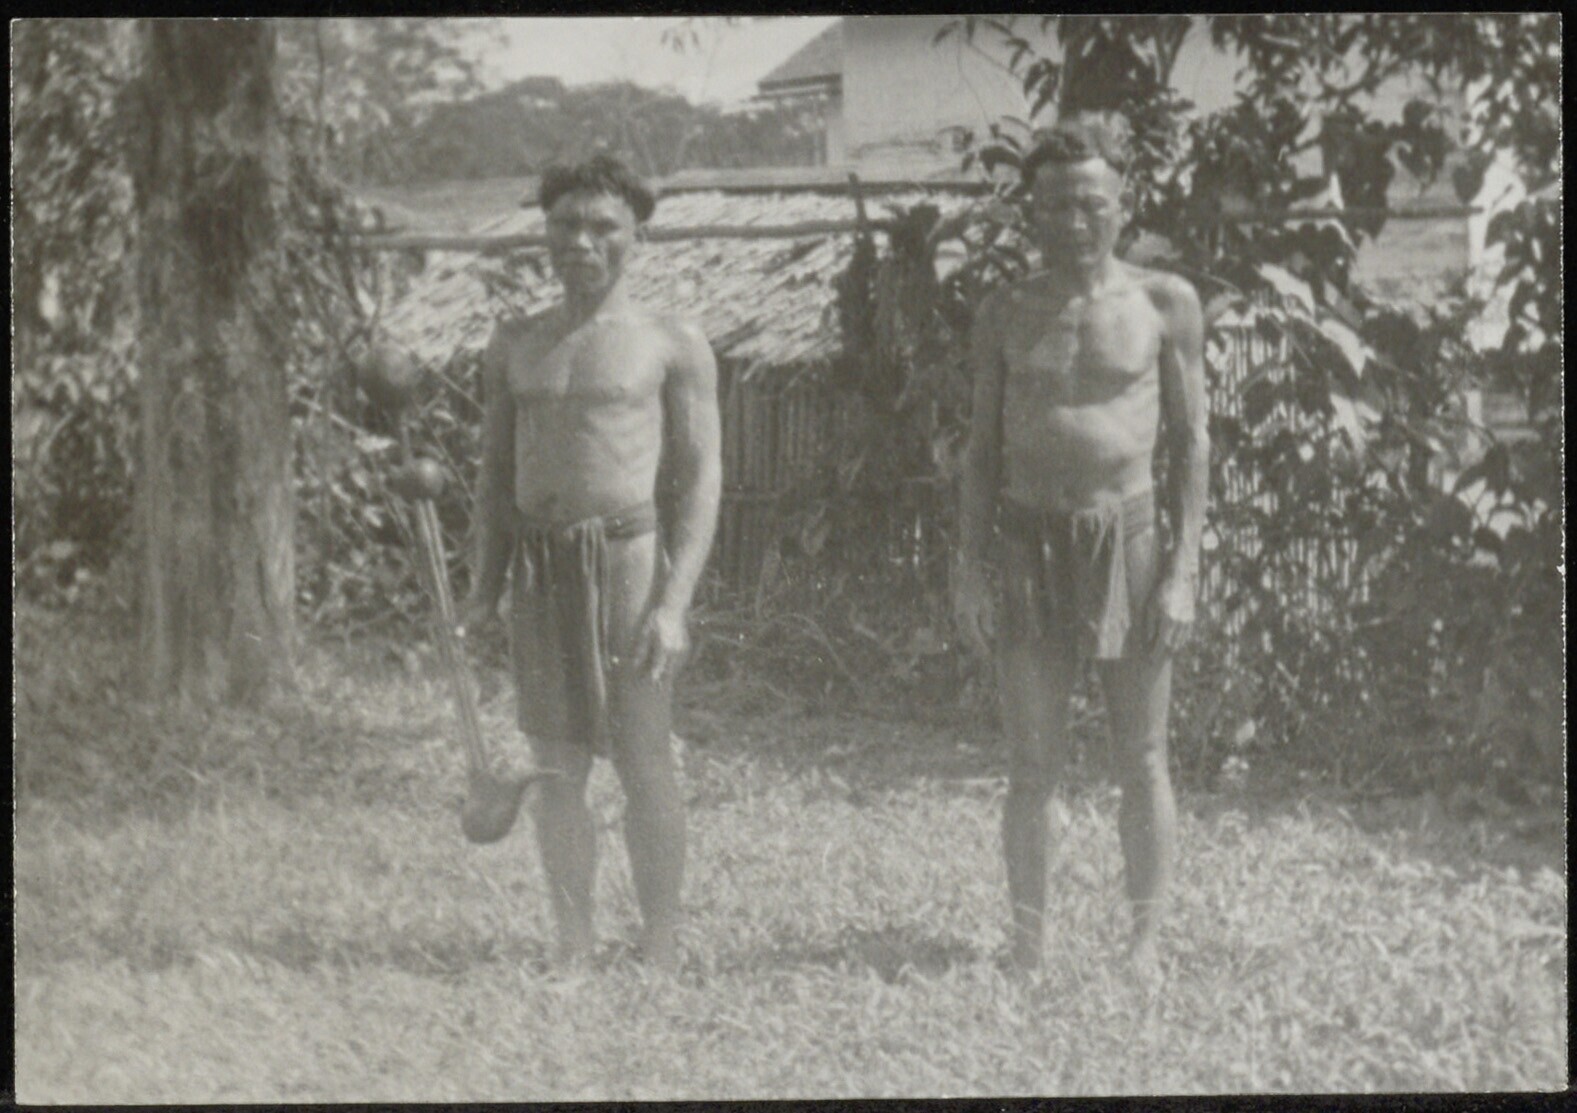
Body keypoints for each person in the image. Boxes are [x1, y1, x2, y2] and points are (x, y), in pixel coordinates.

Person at [952, 114, 1209, 982]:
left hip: (1126, 538)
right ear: (1030, 211)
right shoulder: (1004, 311)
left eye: (1090, 204)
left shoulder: (1163, 303)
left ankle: (1143, 945)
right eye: (1054, 205)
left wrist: (1181, 571)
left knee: (1142, 756)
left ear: (1122, 205)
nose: (1072, 221)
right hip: (1027, 540)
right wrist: (967, 569)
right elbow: (980, 450)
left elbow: (1192, 443)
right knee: (1031, 764)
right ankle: (1027, 947)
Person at [460, 154, 722, 972]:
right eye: (564, 225)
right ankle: (573, 945)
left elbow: (702, 477)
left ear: (638, 236)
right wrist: (482, 592)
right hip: (540, 567)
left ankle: (661, 946)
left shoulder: (670, 342)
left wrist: (673, 605)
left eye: (603, 226)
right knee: (555, 765)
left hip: (627, 563)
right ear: (544, 233)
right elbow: (494, 477)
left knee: (644, 756)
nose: (581, 242)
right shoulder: (516, 343)